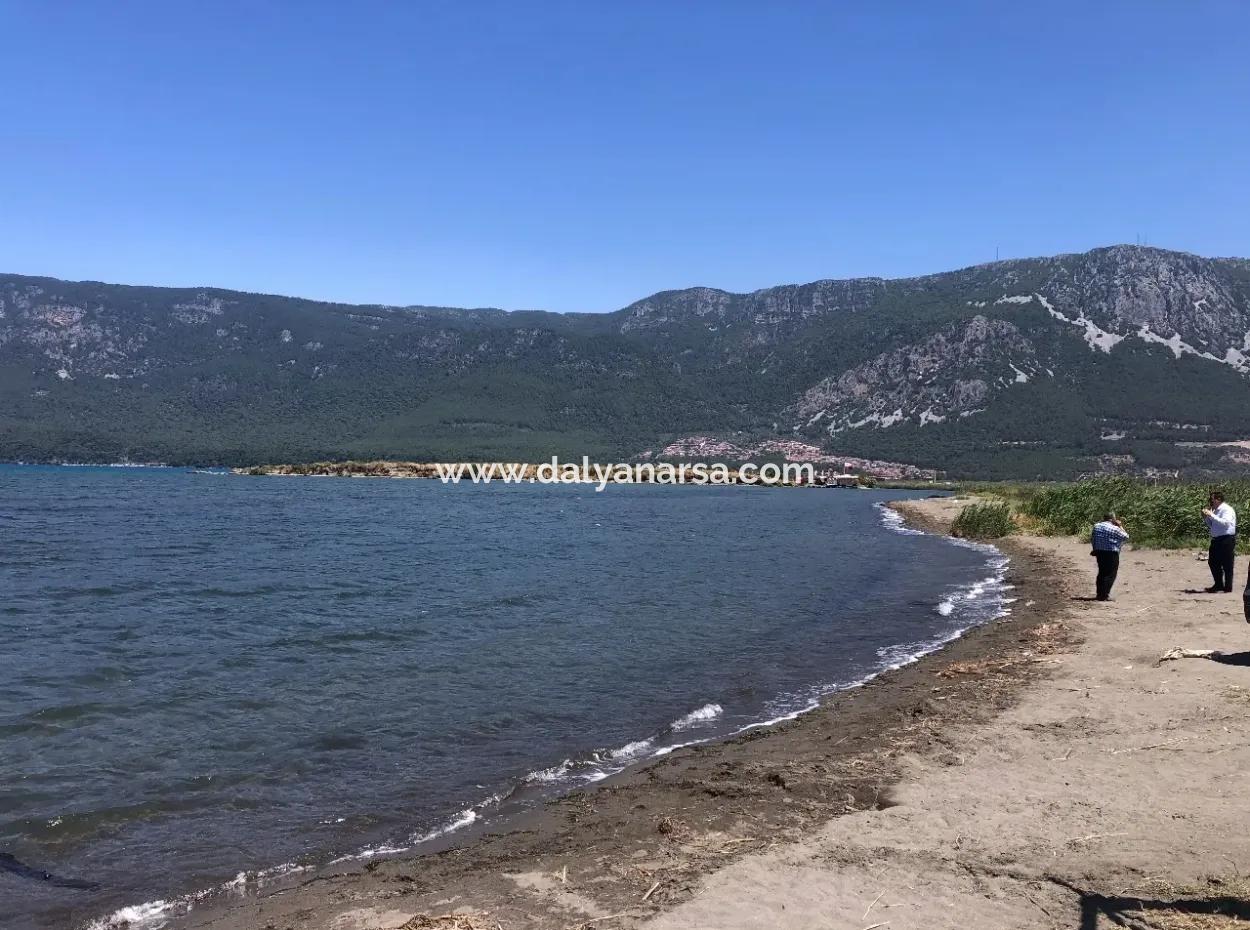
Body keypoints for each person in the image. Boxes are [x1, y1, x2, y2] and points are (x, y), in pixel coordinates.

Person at [1202, 491, 1237, 593]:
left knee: (1227, 564)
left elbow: (1225, 523)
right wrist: (1206, 517)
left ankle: (1228, 587)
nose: (1210, 502)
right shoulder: (1215, 510)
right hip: (1216, 540)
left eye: (1211, 499)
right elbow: (1213, 525)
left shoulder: (1227, 509)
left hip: (1226, 539)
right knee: (1213, 562)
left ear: (1218, 499)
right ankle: (1218, 585)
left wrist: (1211, 515)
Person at [1091, 511, 1129, 601]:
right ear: (1112, 518)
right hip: (1111, 553)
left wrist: (1094, 548)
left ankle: (1099, 594)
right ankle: (1104, 595)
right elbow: (1126, 536)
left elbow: (1093, 538)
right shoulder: (1114, 528)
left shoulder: (1096, 526)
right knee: (1111, 574)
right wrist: (1120, 526)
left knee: (1101, 573)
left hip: (1099, 552)